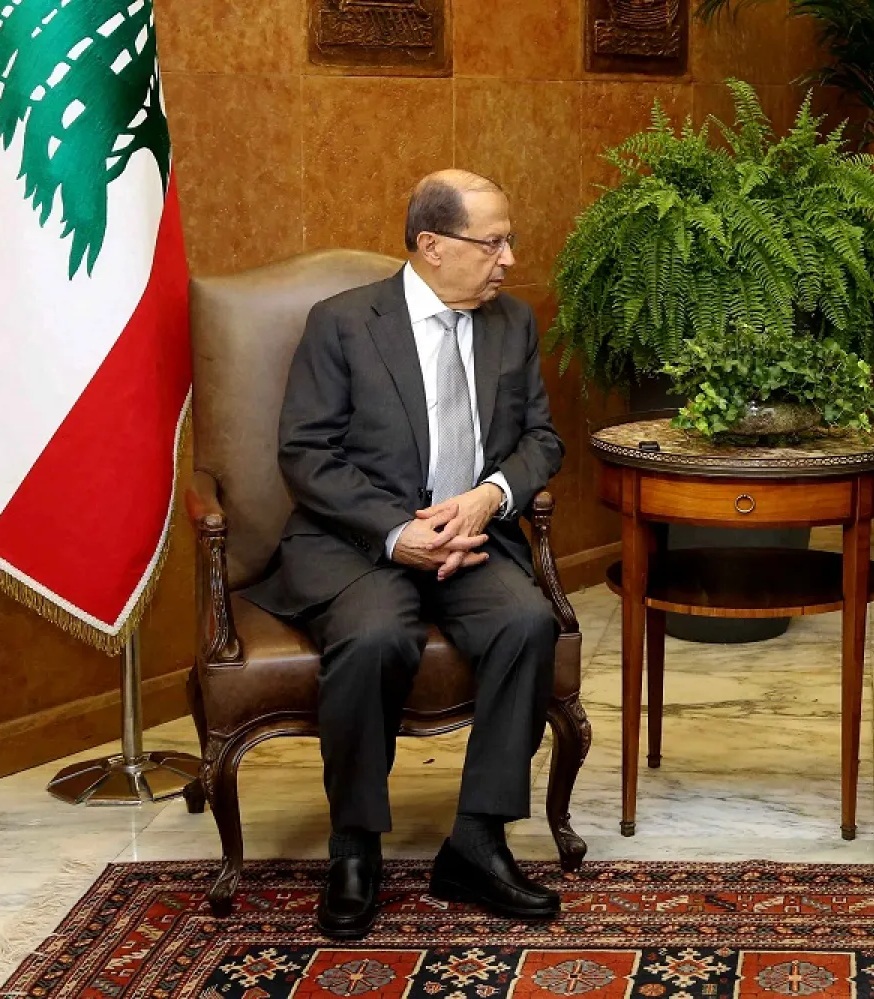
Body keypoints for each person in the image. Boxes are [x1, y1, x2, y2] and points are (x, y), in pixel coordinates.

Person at [241, 169, 565, 939]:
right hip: (360, 544)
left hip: (473, 537)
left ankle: (477, 843)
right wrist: (399, 533)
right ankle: (354, 848)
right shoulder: (344, 323)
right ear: (431, 246)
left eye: (508, 240)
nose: (510, 258)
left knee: (528, 623)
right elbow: (306, 454)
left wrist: (489, 496)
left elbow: (540, 441)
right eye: (493, 242)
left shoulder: (511, 324)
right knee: (377, 635)